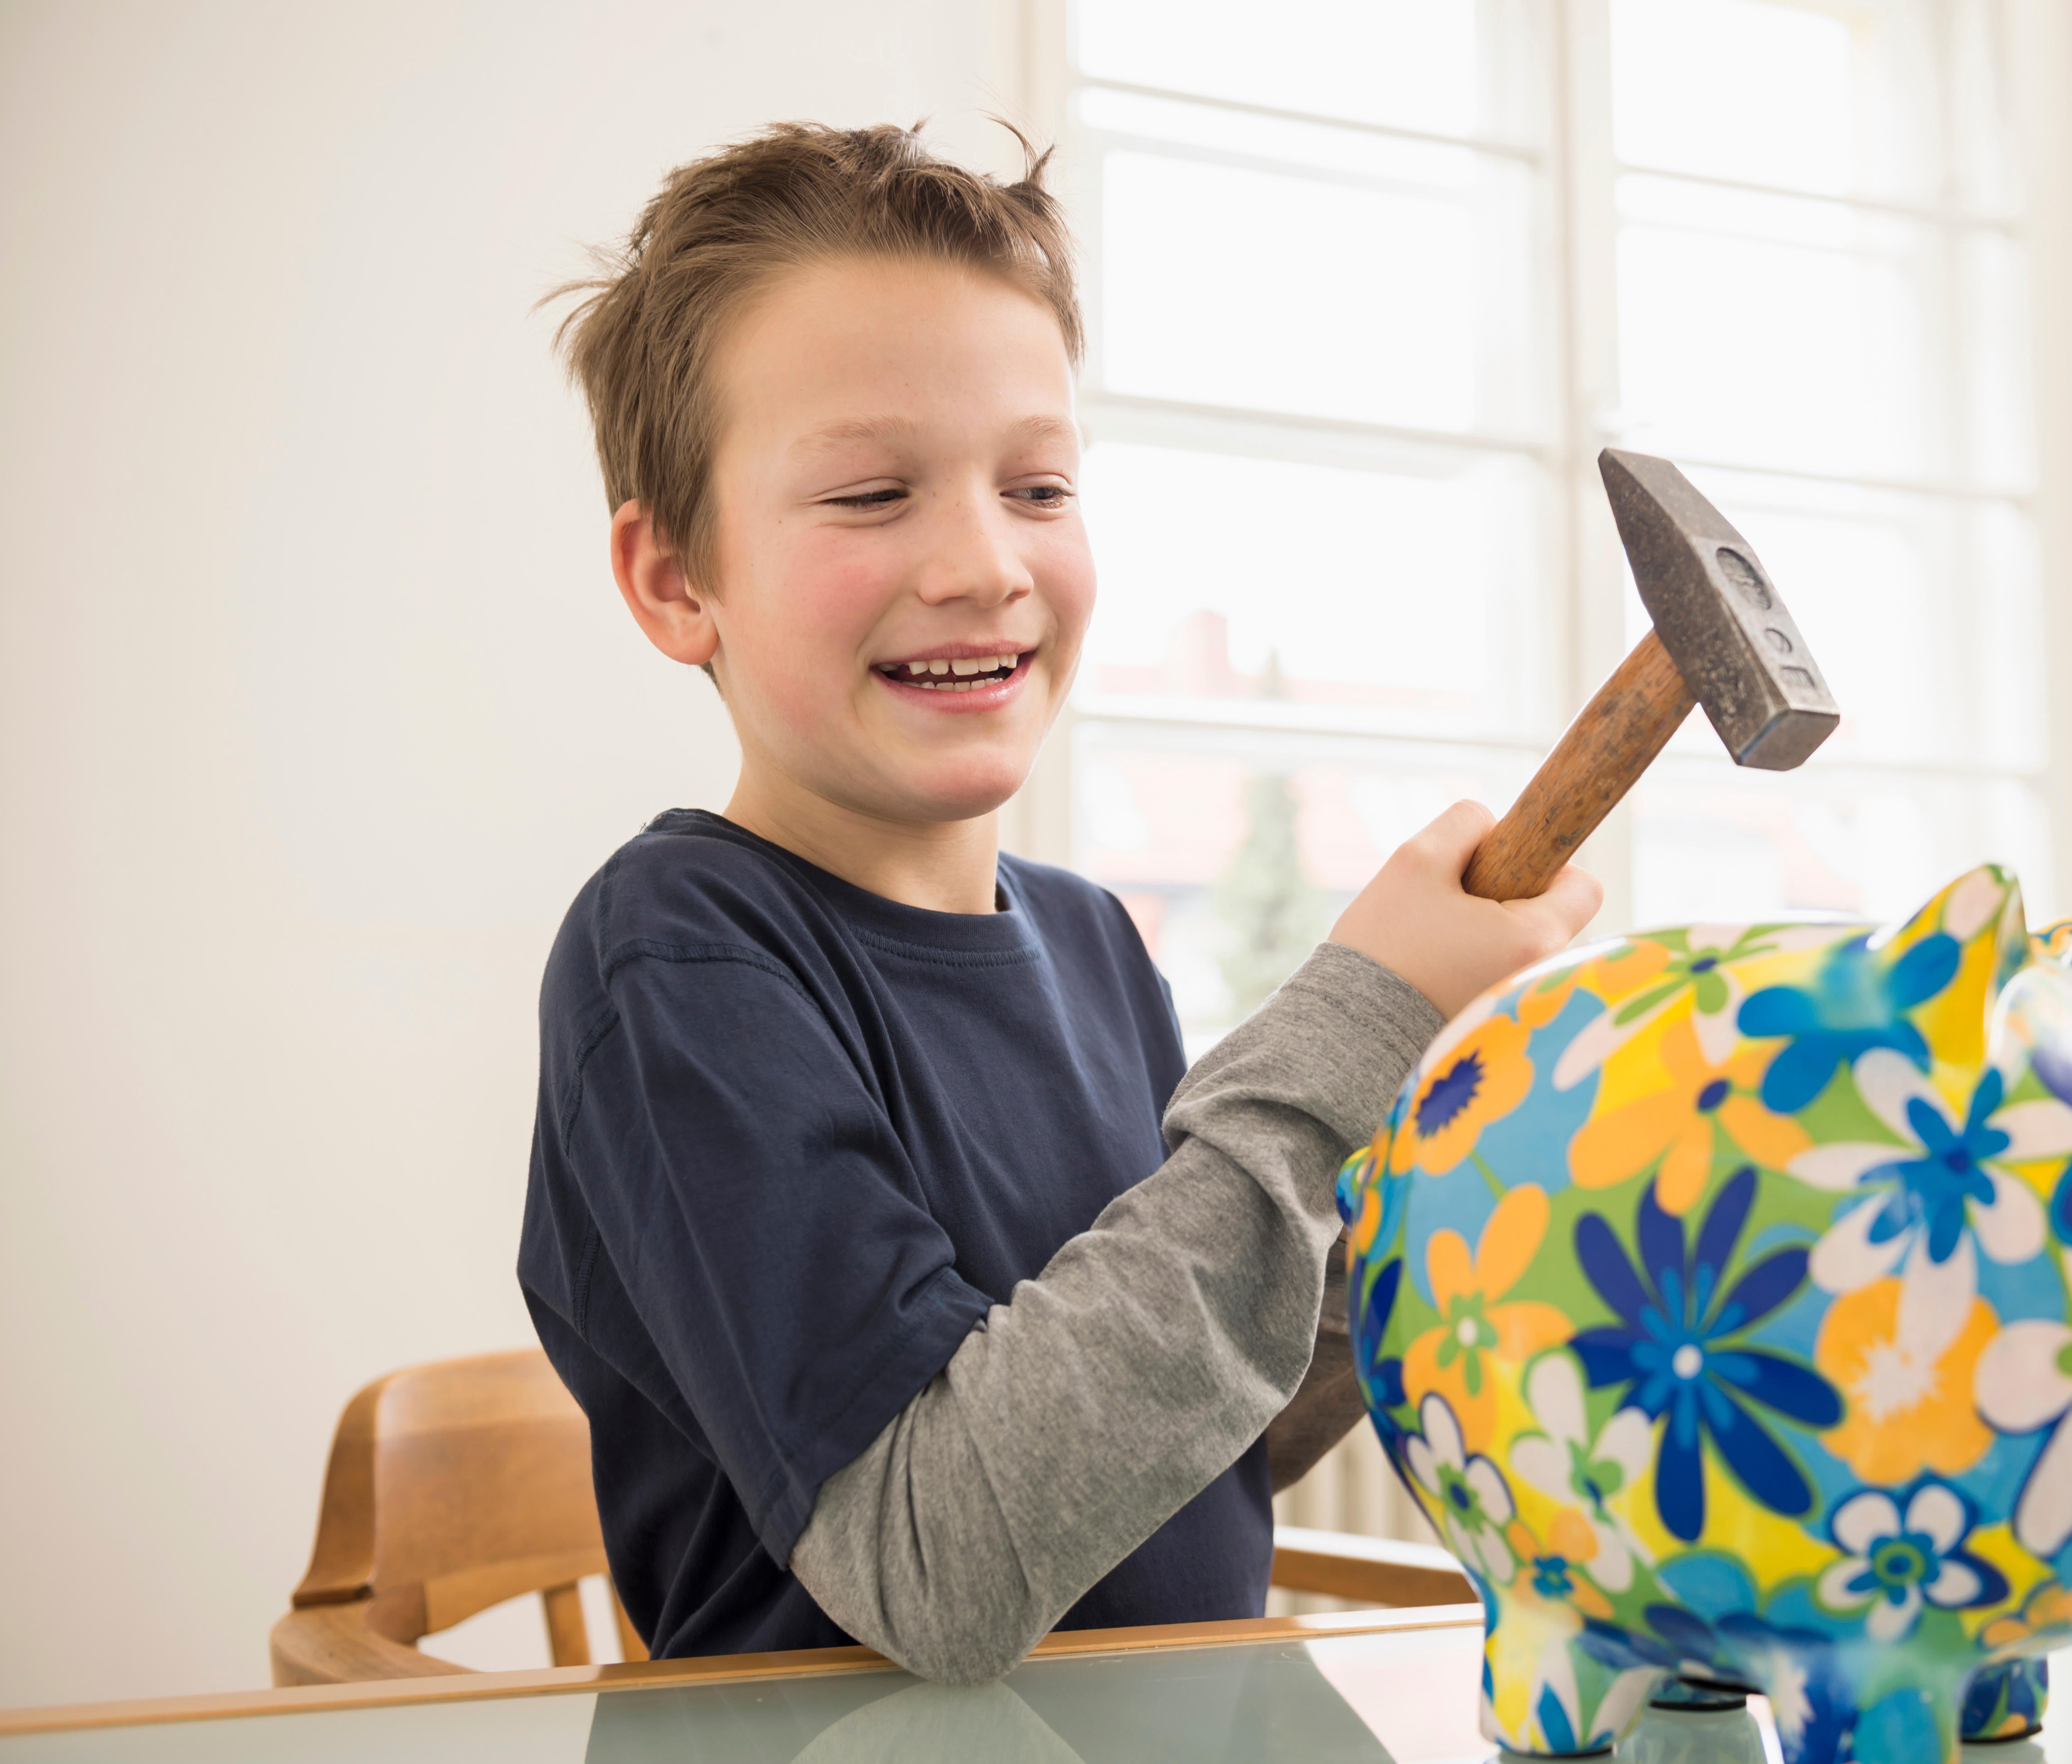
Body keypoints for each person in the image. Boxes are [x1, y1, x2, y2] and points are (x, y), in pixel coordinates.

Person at [518, 122, 1600, 1682]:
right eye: (876, 493)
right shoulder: (678, 958)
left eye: (1037, 486)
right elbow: (942, 1557)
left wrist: (1398, 1159)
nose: (982, 562)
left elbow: (1155, 1448)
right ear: (679, 580)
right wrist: (1355, 1017)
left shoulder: (1094, 942)